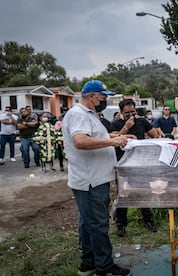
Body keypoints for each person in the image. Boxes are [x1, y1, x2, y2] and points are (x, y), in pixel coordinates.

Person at [62, 80, 130, 276]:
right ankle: (104, 267)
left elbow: (93, 135)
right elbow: (81, 141)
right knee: (98, 224)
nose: (105, 100)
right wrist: (111, 141)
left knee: (87, 222)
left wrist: (117, 136)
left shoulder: (87, 114)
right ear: (91, 96)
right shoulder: (78, 114)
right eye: (103, 96)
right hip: (90, 181)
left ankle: (88, 263)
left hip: (92, 179)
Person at [110, 99, 159, 236]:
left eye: (133, 112)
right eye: (127, 113)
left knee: (143, 191)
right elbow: (113, 139)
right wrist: (126, 127)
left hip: (140, 163)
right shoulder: (115, 124)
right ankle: (121, 224)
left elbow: (154, 135)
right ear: (121, 113)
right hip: (123, 164)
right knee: (123, 194)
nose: (130, 115)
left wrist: (148, 126)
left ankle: (148, 220)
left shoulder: (141, 121)